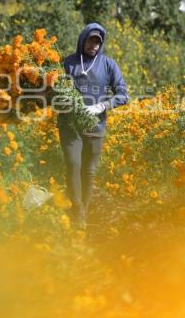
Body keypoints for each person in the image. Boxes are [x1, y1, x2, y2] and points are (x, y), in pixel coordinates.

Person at [56, 22, 129, 228]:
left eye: (98, 42)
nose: (94, 45)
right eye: (91, 40)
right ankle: (77, 207)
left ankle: (82, 217)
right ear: (83, 40)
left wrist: (101, 106)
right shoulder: (68, 63)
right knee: (73, 164)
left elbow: (123, 95)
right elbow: (54, 90)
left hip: (96, 125)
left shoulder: (108, 65)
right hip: (69, 124)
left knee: (89, 171)